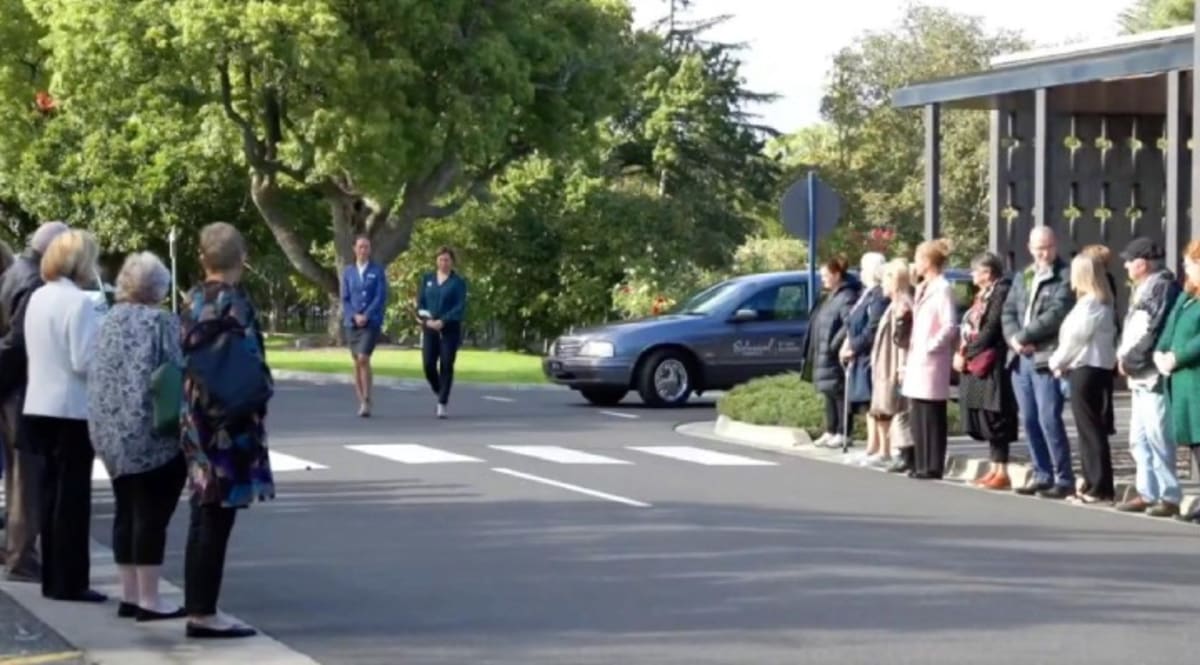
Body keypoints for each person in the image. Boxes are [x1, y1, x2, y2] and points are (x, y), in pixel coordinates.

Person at [180, 222, 273, 638]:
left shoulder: (191, 301)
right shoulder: (237, 305)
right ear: (241, 258)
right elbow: (252, 365)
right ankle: (204, 612)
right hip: (228, 420)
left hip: (197, 416)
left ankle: (198, 604)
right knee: (217, 519)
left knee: (203, 509)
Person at [87, 252, 188, 620]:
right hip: (150, 431)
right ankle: (149, 599)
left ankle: (130, 595)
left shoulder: (107, 320)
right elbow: (177, 368)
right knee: (151, 515)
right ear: (159, 288)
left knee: (125, 511)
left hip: (110, 432)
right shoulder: (161, 322)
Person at [21, 230, 106, 602]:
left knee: (49, 494)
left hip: (38, 404)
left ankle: (53, 578)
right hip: (70, 410)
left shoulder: (39, 296)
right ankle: (71, 581)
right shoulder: (80, 304)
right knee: (72, 500)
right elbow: (82, 359)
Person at [0, 222, 68, 583]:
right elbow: (18, 343)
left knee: (17, 476)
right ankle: (21, 556)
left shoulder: (14, 273)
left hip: (12, 389)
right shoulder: (33, 282)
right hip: (21, 389)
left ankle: (15, 548)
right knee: (27, 477)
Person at [1002, 226, 1075, 498]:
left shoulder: (1064, 276)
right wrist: (1014, 339)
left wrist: (1025, 335)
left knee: (1049, 418)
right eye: (1037, 248)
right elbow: (1008, 310)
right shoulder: (1023, 276)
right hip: (1020, 357)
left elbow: (1057, 313)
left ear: (1055, 245)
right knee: (1029, 419)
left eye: (1047, 247)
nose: (1042, 253)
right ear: (1029, 248)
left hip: (1045, 355)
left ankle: (1063, 476)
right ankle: (1042, 473)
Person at [1114, 238, 1182, 517]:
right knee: (1138, 438)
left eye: (1130, 260)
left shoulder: (1162, 287)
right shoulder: (1145, 288)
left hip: (1152, 375)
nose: (1127, 265)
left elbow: (1154, 331)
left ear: (1142, 263)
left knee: (1157, 436)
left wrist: (1130, 360)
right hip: (1139, 376)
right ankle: (1147, 491)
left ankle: (1168, 495)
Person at [1048, 254, 1118, 504]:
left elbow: (1075, 338)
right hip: (1090, 367)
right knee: (1088, 430)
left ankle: (1099, 487)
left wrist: (1056, 361)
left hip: (1087, 368)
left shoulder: (1092, 304)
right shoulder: (1096, 302)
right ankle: (1091, 483)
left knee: (1090, 430)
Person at [956, 252, 1018, 490]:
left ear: (987, 272)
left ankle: (1002, 470)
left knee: (996, 414)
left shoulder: (1000, 292)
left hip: (994, 362)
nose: (972, 275)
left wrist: (967, 352)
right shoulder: (983, 294)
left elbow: (992, 327)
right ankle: (994, 468)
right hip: (978, 361)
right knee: (983, 413)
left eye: (975, 271)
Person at [901, 239, 958, 479]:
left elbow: (949, 324)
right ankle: (921, 461)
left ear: (927, 261)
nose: (915, 264)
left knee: (932, 412)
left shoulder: (943, 288)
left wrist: (931, 346)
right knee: (918, 411)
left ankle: (933, 464)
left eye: (917, 258)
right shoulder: (923, 286)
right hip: (918, 359)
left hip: (932, 359)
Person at [1154, 239, 1200, 524]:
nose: (1185, 270)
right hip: (1182, 385)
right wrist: (1161, 352)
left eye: (1190, 264)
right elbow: (1169, 328)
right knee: (1195, 446)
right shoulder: (1187, 298)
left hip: (1195, 382)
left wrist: (1178, 356)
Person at [802, 257, 861, 449]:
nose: (823, 279)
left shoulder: (847, 296)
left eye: (826, 275)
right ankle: (831, 430)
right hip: (823, 350)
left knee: (839, 392)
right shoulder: (829, 295)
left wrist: (835, 343)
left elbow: (849, 323)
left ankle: (843, 432)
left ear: (837, 275)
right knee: (828, 391)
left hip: (834, 352)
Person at [840, 252, 890, 464]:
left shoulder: (879, 295)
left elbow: (873, 328)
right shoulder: (865, 293)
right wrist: (847, 343)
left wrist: (855, 347)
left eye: (863, 267)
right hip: (859, 354)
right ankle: (872, 446)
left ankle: (881, 448)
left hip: (870, 355)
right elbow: (853, 323)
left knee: (874, 402)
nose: (860, 272)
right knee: (866, 404)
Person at [870, 259, 914, 470]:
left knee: (900, 407)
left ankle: (905, 452)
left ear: (894, 281)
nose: (882, 285)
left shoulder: (902, 306)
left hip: (895, 365)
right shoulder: (894, 305)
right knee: (894, 407)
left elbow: (903, 341)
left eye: (885, 280)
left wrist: (902, 366)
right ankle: (901, 451)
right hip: (887, 364)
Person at [417, 247, 467, 419]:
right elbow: (421, 304)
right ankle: (440, 390)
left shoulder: (458, 282)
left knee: (446, 363)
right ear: (436, 261)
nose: (443, 263)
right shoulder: (427, 280)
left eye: (446, 260)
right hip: (429, 327)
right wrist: (427, 320)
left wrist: (443, 321)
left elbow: (459, 307)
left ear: (452, 262)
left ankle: (442, 402)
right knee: (428, 364)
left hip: (449, 328)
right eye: (440, 259)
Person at [341, 235, 387, 418]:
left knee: (363, 358)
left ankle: (367, 397)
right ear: (354, 249)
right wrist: (354, 315)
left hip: (371, 322)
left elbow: (380, 296)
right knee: (356, 361)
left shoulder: (377, 271)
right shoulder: (348, 272)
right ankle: (362, 401)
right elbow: (345, 298)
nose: (363, 250)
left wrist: (366, 315)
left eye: (366, 247)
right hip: (352, 322)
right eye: (360, 247)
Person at [1081, 243, 1119, 437]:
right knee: (1105, 387)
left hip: (1099, 343)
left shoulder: (1100, 283)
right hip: (1108, 340)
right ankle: (1106, 421)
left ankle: (1105, 422)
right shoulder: (1108, 280)